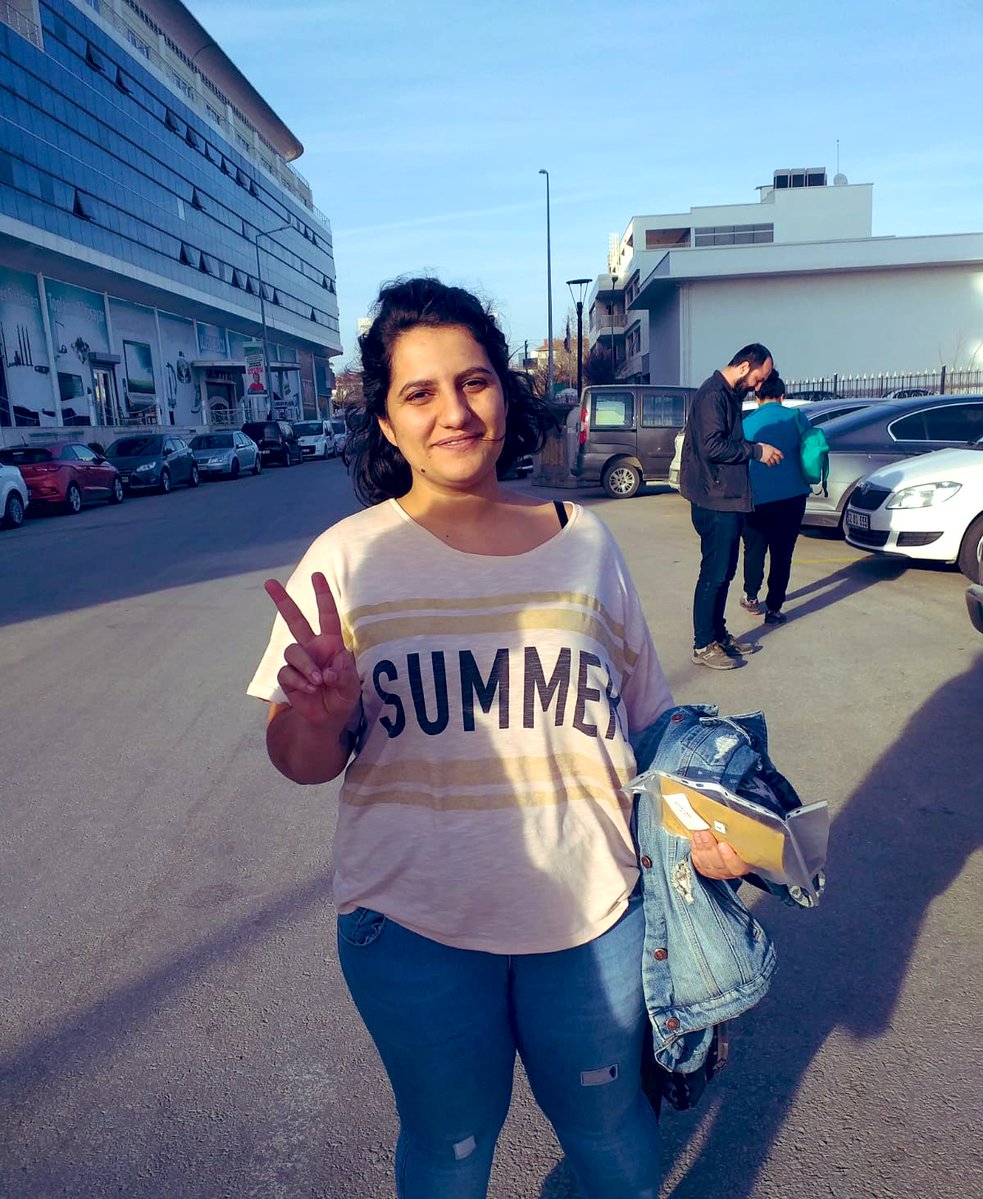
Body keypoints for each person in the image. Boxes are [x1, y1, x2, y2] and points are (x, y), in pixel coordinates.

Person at [247, 277, 750, 1199]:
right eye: (419, 392)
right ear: (387, 422)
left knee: (609, 1134)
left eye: (472, 381)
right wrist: (316, 714)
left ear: (504, 392)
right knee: (448, 1145)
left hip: (593, 913)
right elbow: (299, 759)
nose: (453, 411)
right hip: (412, 924)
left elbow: (649, 724)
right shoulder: (347, 558)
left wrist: (706, 830)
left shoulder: (584, 541)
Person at [678, 344, 783, 670]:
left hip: (725, 497)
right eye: (758, 377)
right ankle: (703, 645)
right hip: (714, 499)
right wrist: (756, 451)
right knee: (713, 573)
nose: (758, 385)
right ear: (744, 367)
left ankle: (718, 635)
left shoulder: (728, 394)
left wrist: (753, 449)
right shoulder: (713, 395)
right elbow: (712, 447)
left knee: (724, 572)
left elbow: (724, 442)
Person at [739, 372, 811, 624]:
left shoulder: (746, 423)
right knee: (783, 553)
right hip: (793, 496)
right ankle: (774, 608)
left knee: (754, 548)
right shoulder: (798, 418)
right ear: (782, 396)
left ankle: (751, 596)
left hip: (756, 497)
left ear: (756, 397)